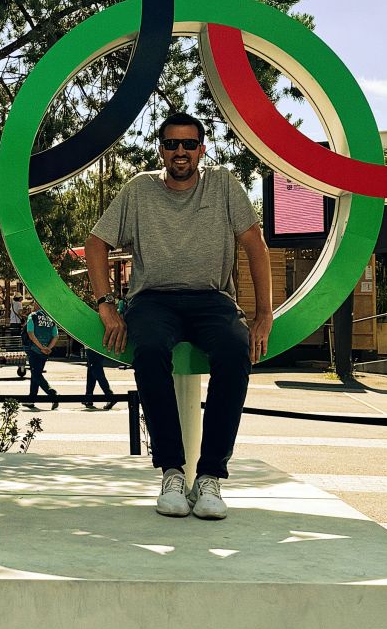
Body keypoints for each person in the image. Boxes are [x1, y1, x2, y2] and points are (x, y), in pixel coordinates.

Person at [86, 111, 272, 521]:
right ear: (161, 150)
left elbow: (254, 243)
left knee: (234, 350)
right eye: (172, 144)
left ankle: (209, 477)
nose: (181, 151)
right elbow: (96, 242)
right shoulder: (140, 189)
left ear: (202, 149)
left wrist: (264, 313)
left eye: (189, 144)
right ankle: (171, 471)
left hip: (212, 298)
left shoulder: (223, 183)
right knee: (148, 350)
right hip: (154, 299)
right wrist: (105, 303)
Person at [23, 306, 60, 408]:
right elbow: (56, 336)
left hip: (35, 350)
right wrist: (48, 348)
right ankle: (31, 399)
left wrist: (40, 347)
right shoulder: (50, 318)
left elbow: (30, 333)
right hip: (45, 352)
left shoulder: (32, 316)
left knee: (36, 375)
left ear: (37, 305)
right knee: (36, 374)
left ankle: (52, 394)